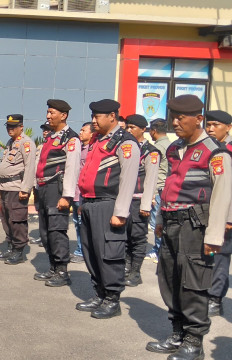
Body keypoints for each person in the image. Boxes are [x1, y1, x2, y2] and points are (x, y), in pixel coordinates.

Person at [146, 95, 231, 360]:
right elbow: (168, 187)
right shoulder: (174, 150)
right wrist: (160, 219)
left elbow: (222, 195)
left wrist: (215, 235)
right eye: (173, 117)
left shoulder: (215, 152)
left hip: (196, 227)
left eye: (181, 117)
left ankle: (194, 340)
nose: (175, 122)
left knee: (193, 284)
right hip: (171, 222)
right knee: (169, 279)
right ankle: (177, 333)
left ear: (198, 119)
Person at [76, 99, 139, 319]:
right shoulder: (97, 139)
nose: (93, 121)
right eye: (92, 116)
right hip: (90, 202)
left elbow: (128, 178)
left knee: (109, 253)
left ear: (112, 116)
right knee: (90, 251)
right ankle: (99, 293)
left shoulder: (125, 142)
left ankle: (112, 299)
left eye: (97, 117)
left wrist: (120, 212)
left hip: (108, 203)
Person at [34, 99, 80, 287]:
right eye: (48, 112)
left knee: (57, 231)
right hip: (44, 188)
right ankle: (53, 267)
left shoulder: (71, 139)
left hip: (57, 189)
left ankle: (62, 271)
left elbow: (72, 167)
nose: (48, 116)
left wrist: (67, 196)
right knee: (45, 231)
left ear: (64, 115)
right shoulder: (51, 137)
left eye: (52, 113)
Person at [123, 114, 160, 287]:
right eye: (127, 127)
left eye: (132, 127)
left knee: (137, 237)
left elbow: (151, 180)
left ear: (143, 129)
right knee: (124, 236)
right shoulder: (127, 147)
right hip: (124, 200)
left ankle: (135, 272)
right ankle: (126, 268)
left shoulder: (150, 152)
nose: (129, 130)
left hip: (139, 201)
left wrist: (146, 204)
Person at [0, 114, 36, 265]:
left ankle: (18, 250)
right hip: (5, 187)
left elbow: (30, 166)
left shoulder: (26, 143)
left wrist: (25, 188)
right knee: (6, 219)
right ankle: (11, 246)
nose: (10, 129)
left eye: (13, 127)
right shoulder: (11, 143)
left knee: (17, 220)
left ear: (21, 127)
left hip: (16, 188)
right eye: (8, 127)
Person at [203, 109, 232, 317]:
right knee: (209, 257)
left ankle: (215, 299)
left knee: (220, 258)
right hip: (208, 211)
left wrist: (228, 218)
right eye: (209, 125)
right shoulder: (208, 148)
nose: (211, 129)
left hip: (226, 215)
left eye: (216, 125)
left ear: (228, 127)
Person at [146, 118, 171, 264]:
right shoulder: (171, 145)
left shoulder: (158, 148)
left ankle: (157, 250)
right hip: (168, 188)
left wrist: (153, 194)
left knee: (157, 223)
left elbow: (155, 172)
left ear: (153, 131)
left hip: (159, 188)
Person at [71, 122, 94, 264]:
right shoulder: (79, 148)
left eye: (84, 130)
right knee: (76, 223)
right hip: (74, 193)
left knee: (82, 224)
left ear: (92, 134)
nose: (80, 132)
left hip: (83, 194)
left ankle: (82, 251)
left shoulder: (91, 150)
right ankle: (81, 250)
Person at [30, 121, 53, 246]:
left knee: (49, 212)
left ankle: (49, 237)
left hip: (48, 185)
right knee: (41, 211)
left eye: (48, 129)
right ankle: (42, 236)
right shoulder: (40, 146)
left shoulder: (54, 146)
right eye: (44, 129)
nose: (45, 131)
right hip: (37, 184)